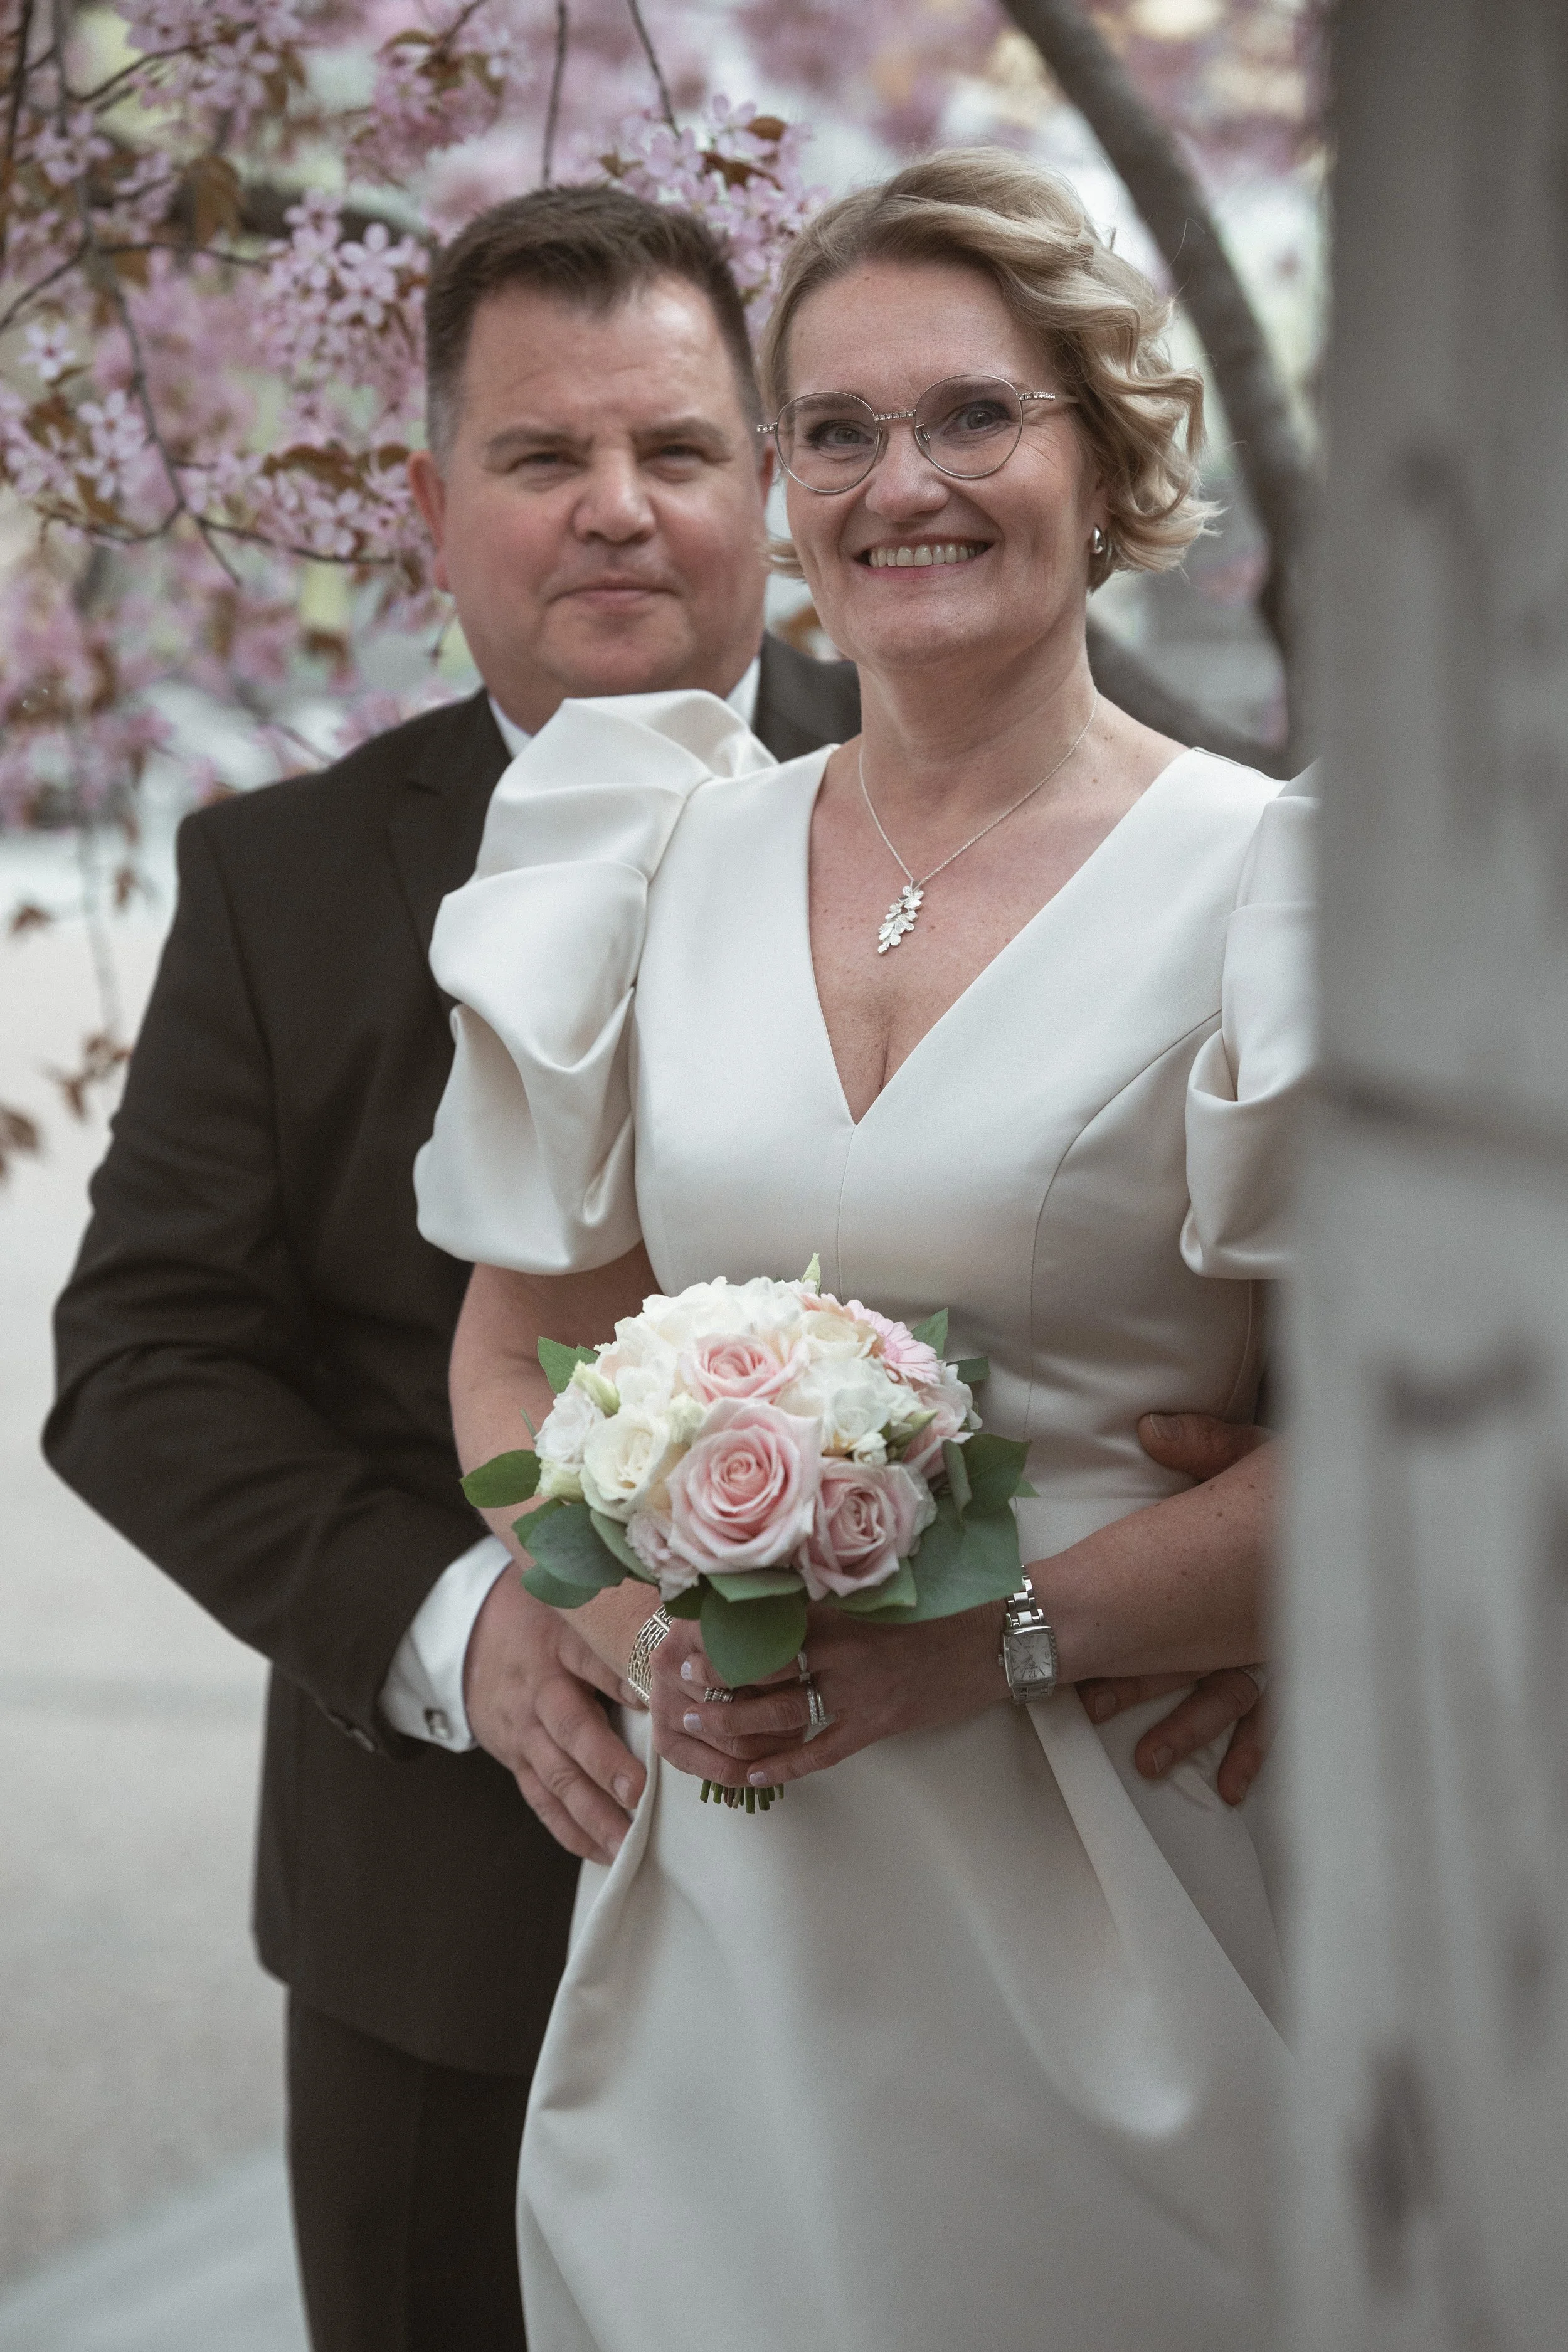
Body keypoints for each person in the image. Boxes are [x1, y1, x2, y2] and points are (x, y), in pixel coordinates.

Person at [418, 151, 1308, 2351]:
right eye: (833, 430)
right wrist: (629, 1620)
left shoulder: (1277, 886)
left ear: (1101, 453)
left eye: (972, 416)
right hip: (731, 1873)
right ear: (789, 491)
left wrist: (995, 1635)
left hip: (1114, 1873)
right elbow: (514, 1353)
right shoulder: (649, 849)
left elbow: (1409, 1431)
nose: (899, 480)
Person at [41, 186, 864, 2352]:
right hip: (451, 1925)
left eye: (679, 452)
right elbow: (141, 1359)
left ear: (770, 485)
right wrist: (465, 1621)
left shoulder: (994, 795)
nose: (616, 510)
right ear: (427, 507)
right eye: (539, 457)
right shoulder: (281, 881)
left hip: (946, 1901)